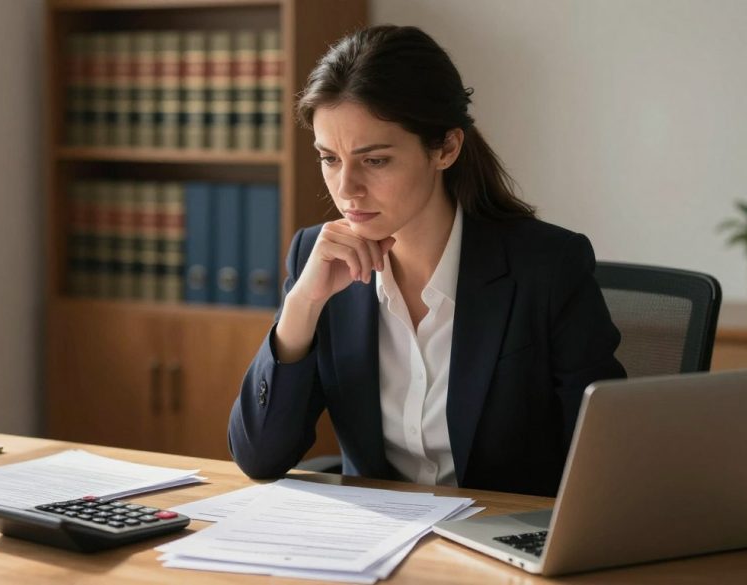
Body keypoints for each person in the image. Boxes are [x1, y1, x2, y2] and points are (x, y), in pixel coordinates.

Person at [228, 25, 626, 497]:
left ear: (446, 148)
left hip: (503, 548)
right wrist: (301, 307)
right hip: (377, 549)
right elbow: (259, 457)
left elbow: (608, 465)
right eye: (329, 159)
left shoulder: (548, 268)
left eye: (374, 161)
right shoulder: (319, 260)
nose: (346, 188)